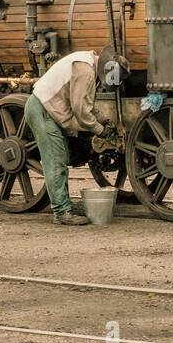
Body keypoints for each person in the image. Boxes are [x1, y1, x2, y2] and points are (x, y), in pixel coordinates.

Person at [26, 49, 113, 226]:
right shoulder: (86, 72)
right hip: (44, 111)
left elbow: (84, 103)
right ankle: (62, 212)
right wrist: (100, 130)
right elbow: (81, 111)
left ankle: (64, 206)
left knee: (61, 158)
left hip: (45, 108)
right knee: (56, 160)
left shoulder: (86, 62)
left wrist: (103, 120)